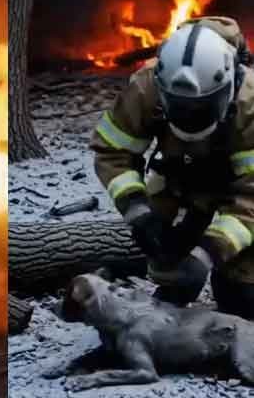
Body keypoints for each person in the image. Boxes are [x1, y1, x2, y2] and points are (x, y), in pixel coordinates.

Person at [91, 16, 254, 317]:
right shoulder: (145, 87)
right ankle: (173, 281)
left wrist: (208, 253)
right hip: (182, 180)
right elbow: (112, 152)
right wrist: (138, 213)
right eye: (180, 107)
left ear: (227, 87)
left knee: (241, 299)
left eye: (200, 108)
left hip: (241, 199)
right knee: (166, 257)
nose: (189, 117)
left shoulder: (250, 106)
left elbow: (251, 199)